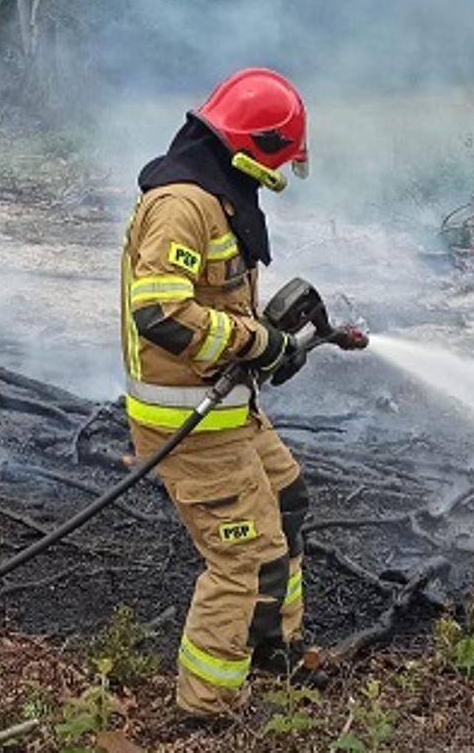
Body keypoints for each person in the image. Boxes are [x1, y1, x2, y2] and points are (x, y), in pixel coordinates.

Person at [119, 67, 314, 719]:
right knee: (246, 560)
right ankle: (207, 709)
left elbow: (215, 302)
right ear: (250, 146)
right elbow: (160, 313)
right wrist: (253, 343)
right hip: (190, 425)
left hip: (231, 411)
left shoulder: (219, 194)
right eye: (277, 161)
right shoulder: (183, 204)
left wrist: (266, 342)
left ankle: (272, 651)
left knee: (288, 500)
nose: (275, 179)